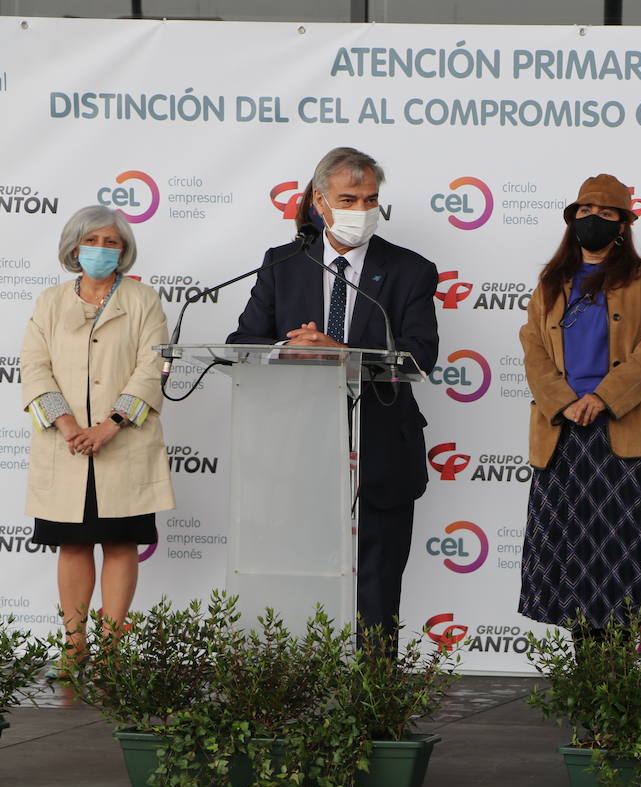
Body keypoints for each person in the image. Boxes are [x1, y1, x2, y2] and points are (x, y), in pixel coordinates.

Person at [227, 147, 439, 655]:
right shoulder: (283, 264)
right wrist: (290, 348)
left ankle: (373, 697)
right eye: (348, 198)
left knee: (377, 580)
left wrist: (342, 353)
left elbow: (419, 356)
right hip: (296, 451)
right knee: (298, 577)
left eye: (370, 199)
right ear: (320, 202)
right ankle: (295, 691)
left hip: (382, 446)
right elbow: (242, 343)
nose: (361, 209)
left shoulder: (410, 269)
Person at [518, 174, 641, 634]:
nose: (594, 220)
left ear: (623, 225)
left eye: (607, 214)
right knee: (575, 560)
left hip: (627, 434)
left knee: (626, 558)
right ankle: (587, 682)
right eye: (586, 212)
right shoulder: (551, 281)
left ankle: (621, 684)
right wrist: (565, 400)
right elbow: (532, 346)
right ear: (573, 220)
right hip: (565, 433)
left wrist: (603, 398)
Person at [21, 205, 175, 675]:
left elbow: (153, 367)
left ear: (125, 251)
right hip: (65, 446)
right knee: (72, 545)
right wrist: (68, 425)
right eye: (93, 242)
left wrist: (109, 425)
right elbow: (34, 367)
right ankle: (74, 646)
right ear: (74, 247)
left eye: (112, 243)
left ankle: (108, 650)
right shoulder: (49, 301)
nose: (102, 250)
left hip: (122, 443)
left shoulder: (144, 300)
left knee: (121, 543)